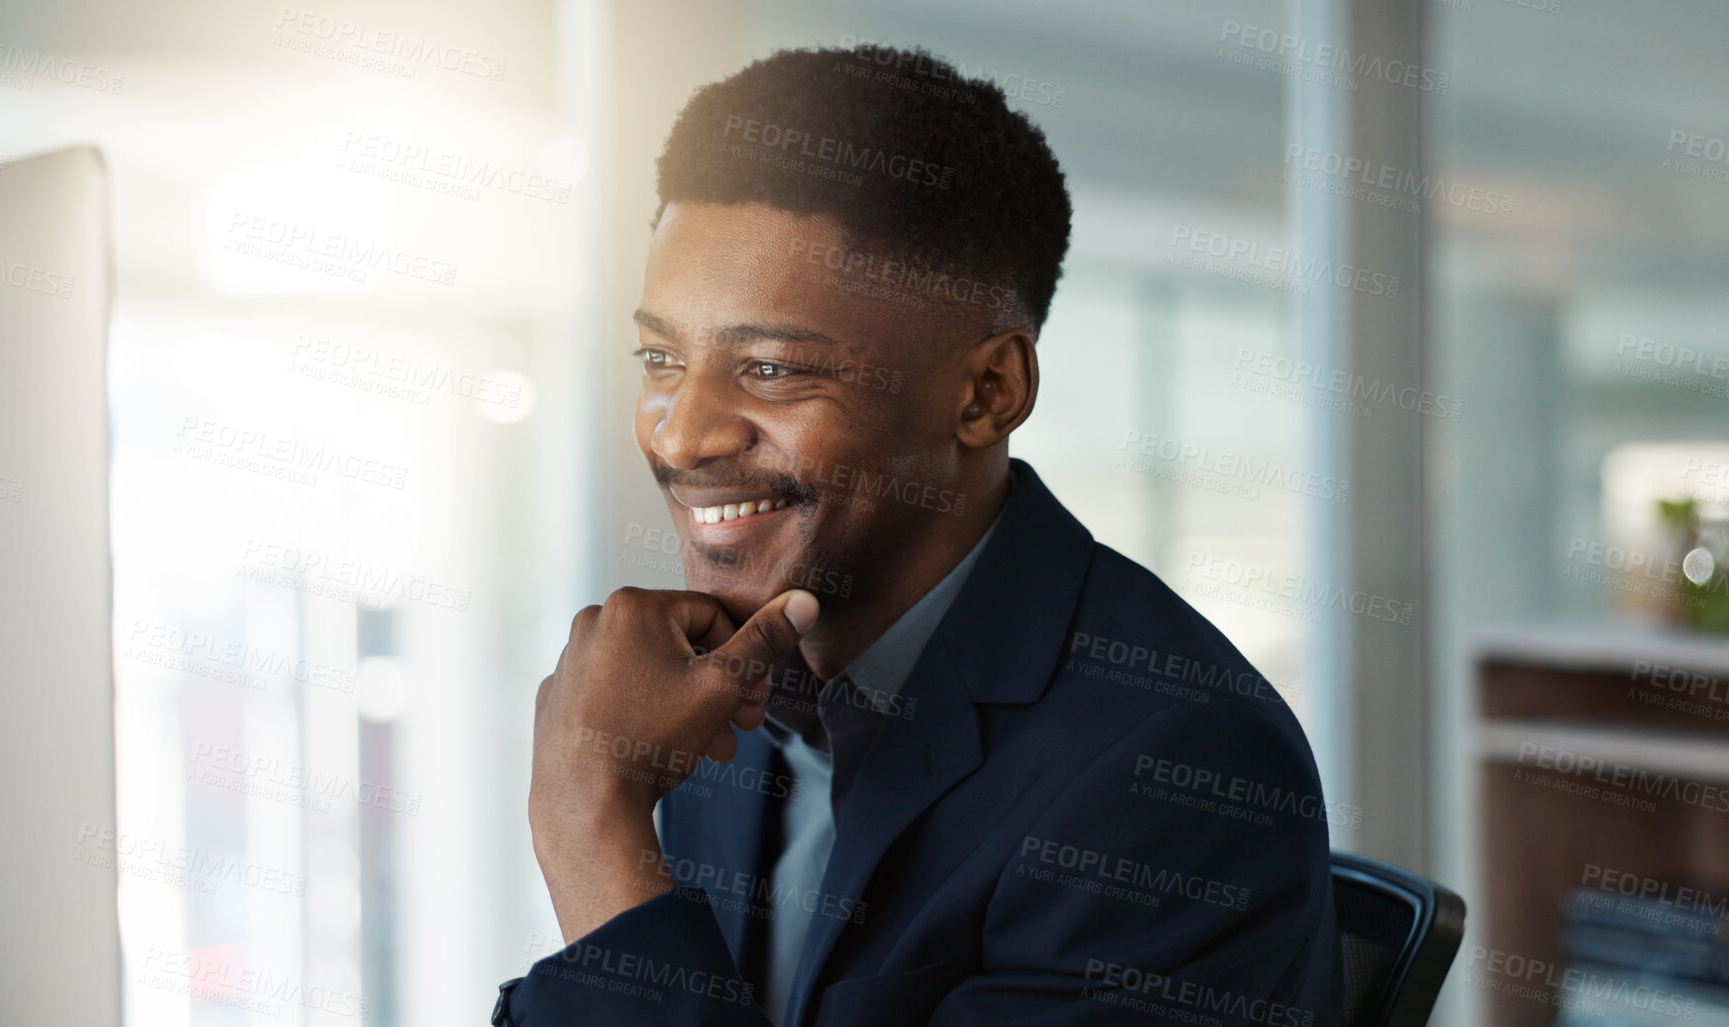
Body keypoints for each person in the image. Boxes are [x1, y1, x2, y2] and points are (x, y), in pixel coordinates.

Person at [494, 43, 1342, 1027]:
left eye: (770, 368)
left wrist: (590, 831)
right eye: (661, 355)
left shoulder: (1178, 772)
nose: (682, 430)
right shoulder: (713, 692)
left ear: (987, 392)